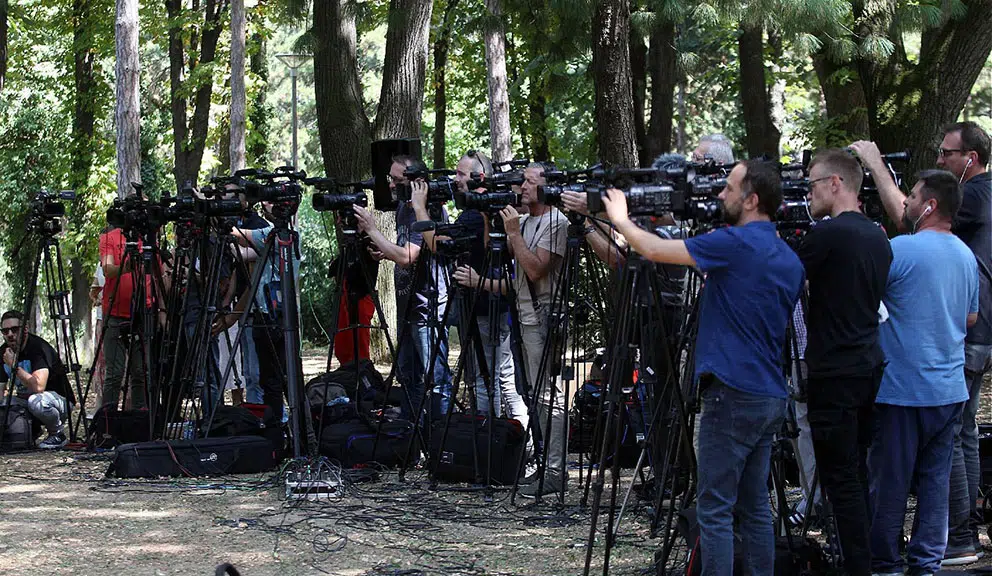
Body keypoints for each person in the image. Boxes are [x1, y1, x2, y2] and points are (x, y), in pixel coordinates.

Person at [602, 159, 804, 575]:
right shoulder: (788, 257)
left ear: (751, 200)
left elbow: (654, 250)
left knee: (714, 508)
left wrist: (620, 219)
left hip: (731, 392)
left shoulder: (733, 245)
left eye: (728, 189)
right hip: (769, 393)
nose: (719, 196)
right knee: (755, 508)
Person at [853, 124, 992, 565]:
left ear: (929, 205)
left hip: (904, 386)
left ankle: (887, 562)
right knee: (934, 480)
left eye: (911, 197)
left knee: (891, 481)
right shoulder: (967, 256)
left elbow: (866, 300)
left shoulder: (902, 250)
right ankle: (931, 559)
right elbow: (970, 317)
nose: (906, 203)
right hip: (948, 387)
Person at [794, 148, 893, 575]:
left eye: (813, 184)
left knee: (841, 478)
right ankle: (863, 558)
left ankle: (857, 565)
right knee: (855, 471)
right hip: (868, 365)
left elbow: (783, 277)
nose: (808, 194)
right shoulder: (877, 233)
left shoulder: (828, 235)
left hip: (835, 372)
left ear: (836, 184)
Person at [453, 161, 567, 498]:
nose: (523, 187)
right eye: (523, 181)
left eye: (530, 182)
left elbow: (533, 271)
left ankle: (556, 473)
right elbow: (512, 279)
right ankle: (545, 466)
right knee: (534, 394)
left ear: (548, 186)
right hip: (524, 314)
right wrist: (492, 222)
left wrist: (514, 233)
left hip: (544, 316)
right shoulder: (529, 220)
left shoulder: (555, 222)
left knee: (549, 396)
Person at [417, 150, 523, 426]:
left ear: (480, 178)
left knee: (485, 379)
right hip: (487, 307)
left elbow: (437, 244)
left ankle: (494, 441)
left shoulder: (477, 216)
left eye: (462, 174)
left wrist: (419, 207)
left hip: (485, 308)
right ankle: (518, 441)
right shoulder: (480, 213)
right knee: (502, 377)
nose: (456, 179)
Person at [354, 155, 452, 422]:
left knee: (436, 377)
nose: (393, 185)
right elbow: (402, 251)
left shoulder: (428, 210)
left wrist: (373, 230)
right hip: (406, 304)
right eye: (391, 179)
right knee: (408, 374)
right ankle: (413, 433)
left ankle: (440, 437)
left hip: (426, 304)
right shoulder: (403, 207)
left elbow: (409, 256)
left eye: (398, 180)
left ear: (418, 182)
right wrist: (383, 252)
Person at [0, 311, 76, 449]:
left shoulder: (37, 348)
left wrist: (14, 365)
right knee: (5, 403)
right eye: (5, 331)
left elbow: (38, 387)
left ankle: (57, 434)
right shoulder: (3, 352)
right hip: (26, 401)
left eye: (15, 329)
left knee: (36, 401)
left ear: (25, 329)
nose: (10, 334)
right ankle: (31, 431)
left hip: (57, 402)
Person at [99, 223, 152, 409]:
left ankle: (141, 418)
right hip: (115, 313)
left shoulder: (148, 238)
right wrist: (128, 266)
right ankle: (108, 422)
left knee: (140, 371)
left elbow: (159, 273)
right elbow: (108, 269)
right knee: (115, 373)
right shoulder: (110, 237)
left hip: (143, 311)